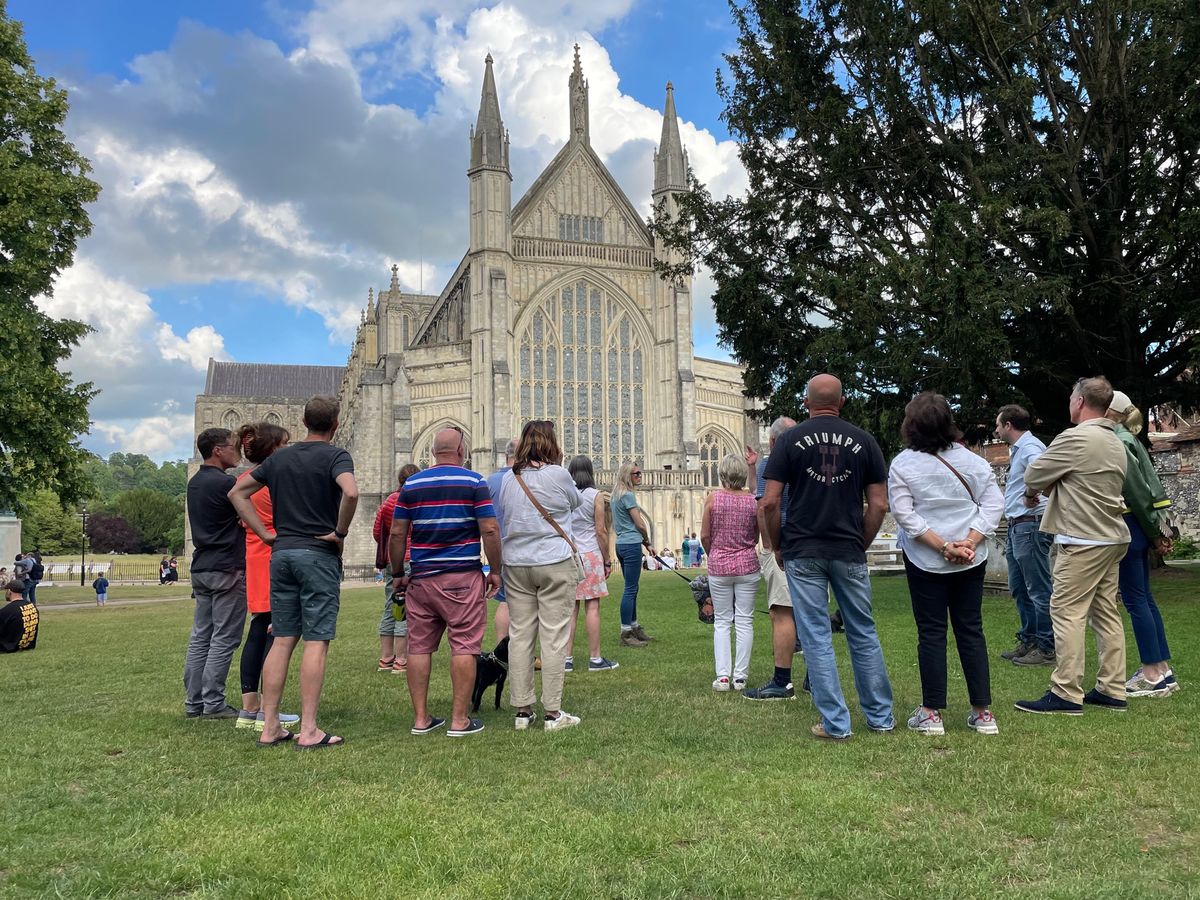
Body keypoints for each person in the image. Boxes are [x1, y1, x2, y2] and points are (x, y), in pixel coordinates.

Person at [762, 373, 895, 740]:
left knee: (816, 636)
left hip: (804, 549)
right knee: (862, 631)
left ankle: (836, 723)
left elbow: (770, 502)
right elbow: (879, 504)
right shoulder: (865, 441)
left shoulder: (788, 440)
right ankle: (880, 718)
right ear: (843, 402)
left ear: (806, 403)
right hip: (847, 547)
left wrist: (777, 545)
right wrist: (860, 542)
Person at [230, 395, 358, 749]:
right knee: (316, 641)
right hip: (317, 554)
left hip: (281, 554)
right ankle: (310, 729)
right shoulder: (336, 455)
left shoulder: (281, 457)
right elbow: (350, 491)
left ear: (304, 421)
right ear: (334, 424)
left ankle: (269, 726)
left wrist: (265, 534)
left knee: (283, 638)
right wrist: (340, 531)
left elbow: (237, 492)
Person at [888, 392, 1004, 736]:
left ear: (911, 426)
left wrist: (942, 546)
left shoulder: (903, 464)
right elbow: (993, 504)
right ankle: (983, 712)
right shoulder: (973, 461)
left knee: (931, 632)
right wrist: (969, 541)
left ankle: (931, 711)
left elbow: (905, 515)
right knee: (971, 630)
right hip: (971, 556)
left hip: (925, 557)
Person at [1015, 377, 1130, 715]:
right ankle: (1112, 688)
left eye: (1070, 396)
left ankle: (1066, 691)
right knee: (1106, 613)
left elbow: (1033, 477)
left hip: (1082, 538)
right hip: (1112, 536)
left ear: (1080, 401)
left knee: (1066, 611)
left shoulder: (1075, 437)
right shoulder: (1115, 442)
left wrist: (1042, 488)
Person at [390, 426, 500, 738]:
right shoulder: (474, 482)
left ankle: (421, 719)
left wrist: (398, 573)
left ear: (433, 452)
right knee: (464, 646)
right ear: (462, 451)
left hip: (422, 578)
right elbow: (489, 529)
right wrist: (496, 570)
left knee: (419, 647)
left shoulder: (412, 484)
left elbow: (397, 533)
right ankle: (459, 720)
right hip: (462, 577)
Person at [499, 421, 583, 730]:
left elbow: (505, 513)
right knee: (553, 635)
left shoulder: (510, 478)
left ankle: (523, 711)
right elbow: (574, 503)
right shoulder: (559, 474)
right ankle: (553, 713)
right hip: (553, 560)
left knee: (520, 635)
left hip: (516, 563)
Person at [1107, 391, 1179, 698]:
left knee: (1136, 599)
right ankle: (1162, 669)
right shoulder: (1131, 439)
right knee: (1145, 598)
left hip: (1129, 523)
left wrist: (1154, 532)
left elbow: (1136, 493)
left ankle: (1151, 673)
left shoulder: (1119, 442)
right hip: (1139, 523)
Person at [232, 422, 300, 734]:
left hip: (256, 559)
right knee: (275, 633)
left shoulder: (248, 479)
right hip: (272, 559)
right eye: (285, 444)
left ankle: (250, 708)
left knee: (259, 630)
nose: (289, 448)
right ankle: (264, 712)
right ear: (273, 449)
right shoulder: (271, 481)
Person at [182, 427, 247, 720]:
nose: (238, 452)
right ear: (218, 451)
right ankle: (213, 703)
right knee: (224, 637)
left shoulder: (195, 482)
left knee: (201, 637)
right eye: (234, 447)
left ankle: (194, 702)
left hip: (203, 566)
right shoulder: (226, 484)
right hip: (226, 567)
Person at [993, 404, 1055, 667]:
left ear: (1008, 425)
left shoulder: (1030, 448)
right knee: (1019, 588)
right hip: (1018, 526)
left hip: (1030, 525)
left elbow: (1044, 472)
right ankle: (1029, 639)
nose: (996, 430)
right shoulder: (1019, 450)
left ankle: (1047, 647)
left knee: (1038, 589)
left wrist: (1033, 494)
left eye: (998, 425)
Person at [743, 416, 799, 701]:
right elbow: (758, 493)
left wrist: (770, 546)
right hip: (809, 542)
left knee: (781, 612)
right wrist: (753, 467)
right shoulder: (808, 461)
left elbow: (766, 505)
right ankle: (816, 678)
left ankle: (782, 681)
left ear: (773, 441)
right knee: (809, 613)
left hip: (784, 543)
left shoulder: (775, 461)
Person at [701, 453, 760, 692]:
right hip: (747, 564)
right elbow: (755, 535)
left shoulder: (713, 500)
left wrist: (712, 552)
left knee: (722, 621)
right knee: (745, 620)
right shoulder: (752, 501)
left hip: (720, 566)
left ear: (722, 474)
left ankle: (723, 676)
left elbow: (705, 534)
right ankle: (740, 677)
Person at [565, 454, 618, 673]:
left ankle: (566, 659)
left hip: (570, 555)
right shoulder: (595, 496)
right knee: (593, 607)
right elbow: (600, 530)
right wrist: (607, 559)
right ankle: (595, 659)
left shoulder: (565, 495)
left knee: (570, 609)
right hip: (591, 555)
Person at [374, 463, 421, 674]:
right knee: (405, 609)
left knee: (390, 607)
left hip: (393, 561)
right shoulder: (418, 500)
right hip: (412, 559)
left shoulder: (389, 501)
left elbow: (378, 533)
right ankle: (401, 660)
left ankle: (386, 658)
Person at [612, 461, 654, 647]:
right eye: (636, 473)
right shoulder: (628, 496)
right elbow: (640, 524)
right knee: (630, 589)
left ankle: (634, 627)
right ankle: (626, 632)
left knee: (632, 587)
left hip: (621, 544)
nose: (639, 476)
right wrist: (647, 541)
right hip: (631, 545)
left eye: (640, 473)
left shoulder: (615, 496)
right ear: (627, 475)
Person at [484, 439, 518, 642]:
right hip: (522, 546)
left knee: (505, 601)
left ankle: (502, 650)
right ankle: (522, 653)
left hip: (498, 545)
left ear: (506, 456)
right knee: (524, 603)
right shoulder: (523, 478)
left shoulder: (491, 481)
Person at [0, 579, 38, 652]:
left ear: (10, 591)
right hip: (27, 644)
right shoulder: (32, 606)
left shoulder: (7, 611)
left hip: (9, 646)